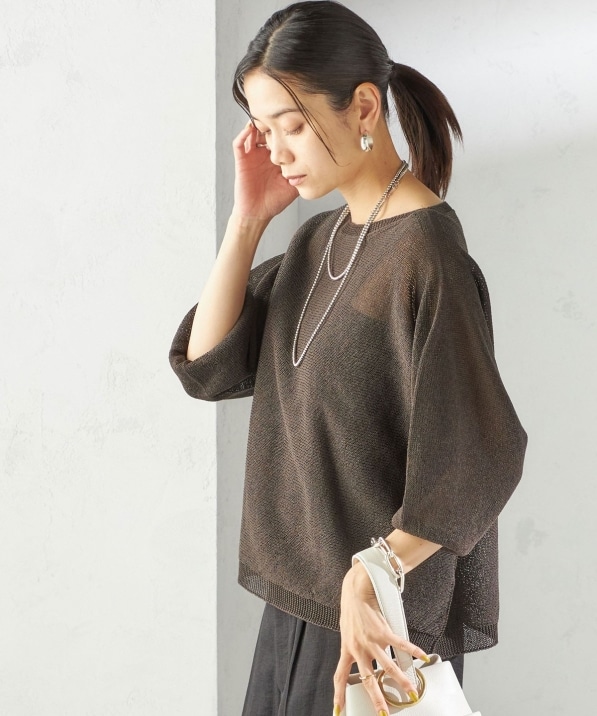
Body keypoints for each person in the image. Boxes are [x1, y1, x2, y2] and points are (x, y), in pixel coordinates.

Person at [169, 2, 527, 714]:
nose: (276, 150)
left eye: (292, 125)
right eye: (264, 130)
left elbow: (482, 454)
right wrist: (247, 221)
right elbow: (207, 366)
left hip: (374, 621)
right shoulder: (321, 240)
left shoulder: (426, 256)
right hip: (299, 605)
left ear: (363, 106)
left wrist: (374, 572)